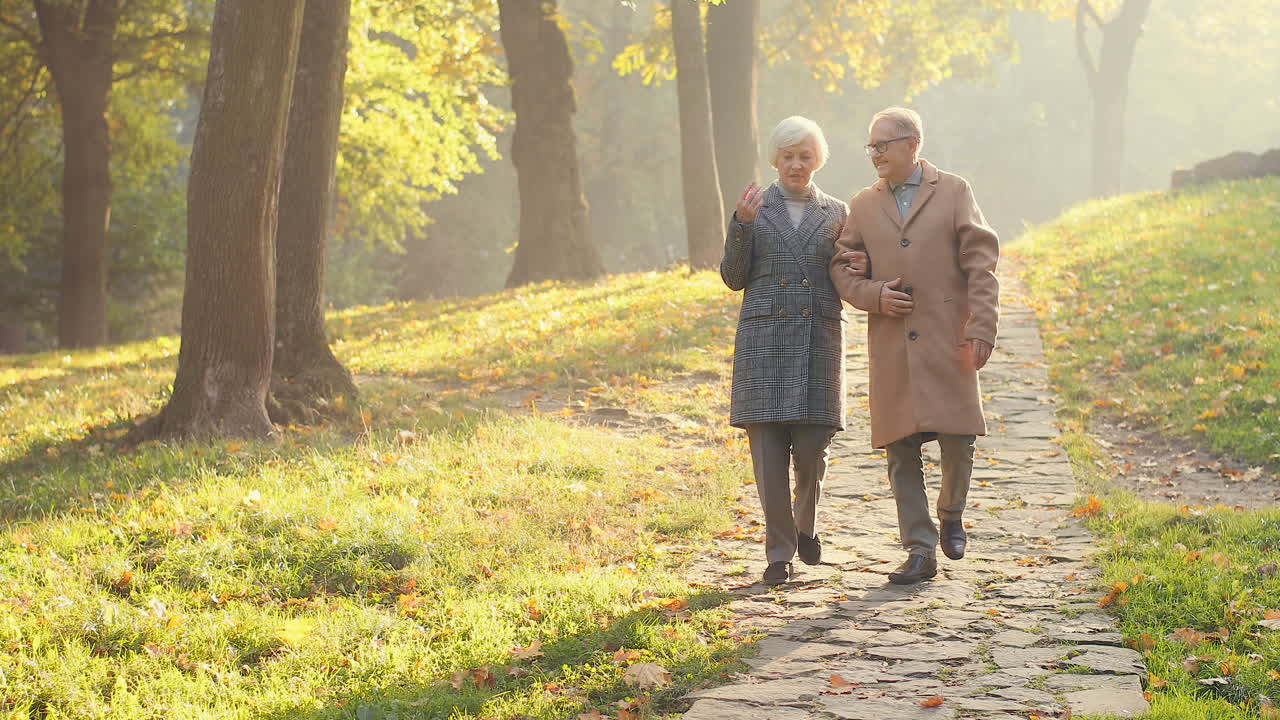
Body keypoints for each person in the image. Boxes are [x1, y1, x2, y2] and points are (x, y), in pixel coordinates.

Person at [829, 107, 1000, 585]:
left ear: (912, 144)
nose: (875, 155)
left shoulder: (953, 191)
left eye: (883, 145)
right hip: (892, 343)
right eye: (871, 147)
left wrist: (982, 326)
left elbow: (982, 264)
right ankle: (919, 549)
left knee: (959, 438)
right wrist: (874, 295)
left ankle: (951, 513)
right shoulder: (862, 204)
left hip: (948, 334)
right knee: (899, 449)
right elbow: (842, 268)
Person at [721, 116, 849, 586]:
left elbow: (851, 272)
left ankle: (805, 523)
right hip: (764, 343)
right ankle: (779, 554)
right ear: (775, 159)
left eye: (806, 156)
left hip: (818, 341)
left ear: (818, 161)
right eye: (789, 156)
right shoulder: (753, 206)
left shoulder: (838, 212)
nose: (797, 165)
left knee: (813, 450)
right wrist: (742, 226)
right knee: (768, 457)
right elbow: (734, 276)